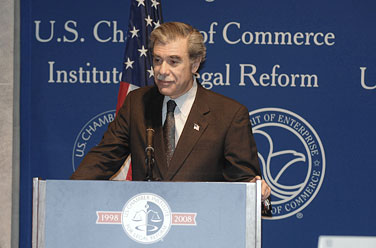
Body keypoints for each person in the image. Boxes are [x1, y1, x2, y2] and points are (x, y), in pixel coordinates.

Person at [71, 22, 271, 201]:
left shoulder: (229, 114)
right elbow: (103, 158)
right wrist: (65, 193)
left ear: (195, 64)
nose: (162, 70)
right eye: (157, 60)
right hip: (147, 226)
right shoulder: (137, 103)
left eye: (173, 61)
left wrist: (256, 192)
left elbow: (244, 184)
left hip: (204, 230)